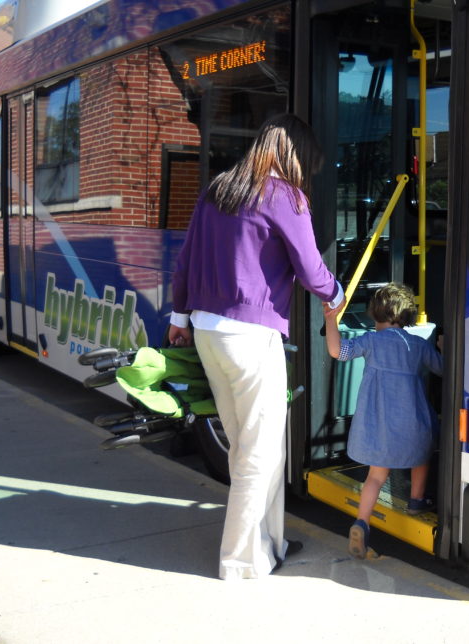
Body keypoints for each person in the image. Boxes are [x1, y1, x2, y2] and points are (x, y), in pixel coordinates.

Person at [168, 114, 343, 580]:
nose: (307, 175)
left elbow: (185, 261)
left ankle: (271, 543)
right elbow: (310, 269)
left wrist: (179, 319)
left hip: (207, 330)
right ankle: (241, 561)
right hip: (251, 334)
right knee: (261, 450)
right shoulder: (285, 195)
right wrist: (337, 294)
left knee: (246, 444)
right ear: (296, 156)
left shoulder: (218, 189)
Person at [322, 283, 442, 559]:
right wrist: (444, 348)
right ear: (407, 315)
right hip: (412, 420)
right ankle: (416, 500)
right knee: (421, 456)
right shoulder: (417, 344)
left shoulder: (371, 341)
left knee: (376, 476)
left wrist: (330, 320)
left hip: (379, 422)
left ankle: (361, 522)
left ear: (374, 314)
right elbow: (443, 370)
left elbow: (337, 351)